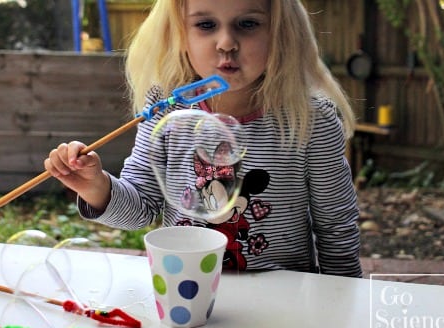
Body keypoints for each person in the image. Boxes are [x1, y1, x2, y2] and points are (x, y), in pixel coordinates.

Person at [44, 0, 362, 277]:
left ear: (281, 32)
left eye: (248, 24)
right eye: (206, 24)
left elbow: (336, 226)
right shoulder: (165, 105)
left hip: (284, 298)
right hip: (186, 287)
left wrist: (346, 299)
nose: (226, 42)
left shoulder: (311, 119)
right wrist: (95, 186)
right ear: (180, 35)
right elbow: (140, 209)